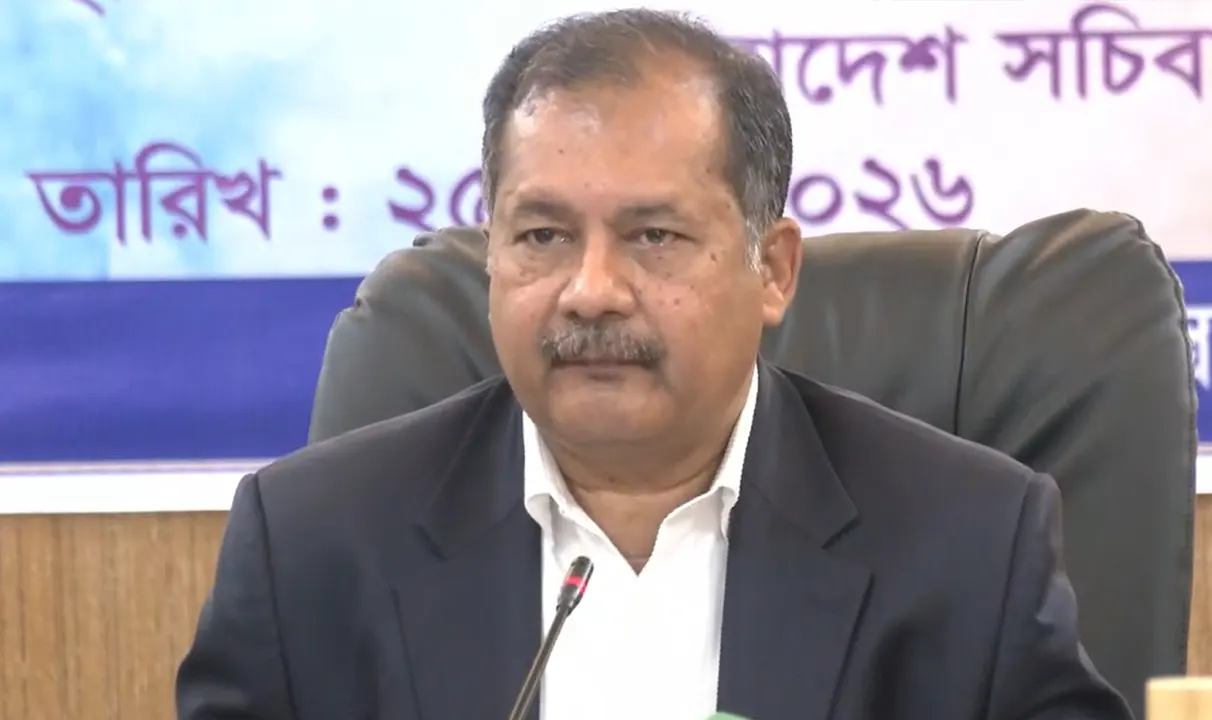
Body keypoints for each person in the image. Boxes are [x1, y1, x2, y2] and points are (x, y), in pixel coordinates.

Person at [176, 9, 1133, 720]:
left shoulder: (969, 543)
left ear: (773, 270)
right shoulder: (310, 546)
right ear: (492, 253)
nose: (591, 290)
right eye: (543, 235)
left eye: (654, 236)